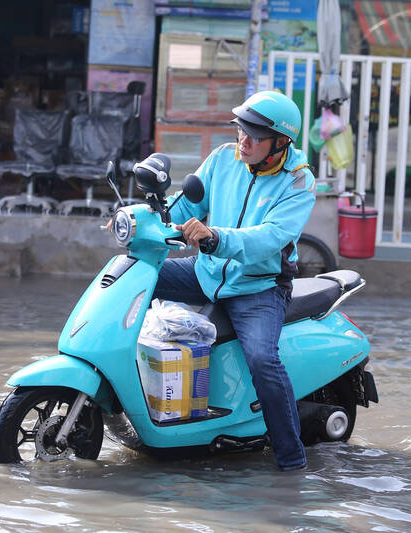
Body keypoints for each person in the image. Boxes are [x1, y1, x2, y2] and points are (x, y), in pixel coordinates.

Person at [155, 90, 316, 471]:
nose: (244, 140)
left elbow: (271, 238)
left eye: (255, 135)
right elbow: (185, 205)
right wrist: (145, 219)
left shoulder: (298, 183)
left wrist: (215, 238)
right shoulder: (223, 158)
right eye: (241, 129)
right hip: (206, 271)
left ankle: (292, 461)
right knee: (130, 275)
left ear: (280, 142)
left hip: (258, 287)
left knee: (263, 359)